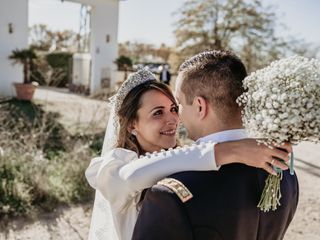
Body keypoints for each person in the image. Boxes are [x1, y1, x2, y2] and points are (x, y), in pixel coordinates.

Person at [85, 69, 292, 240]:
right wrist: (230, 149)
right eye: (158, 112)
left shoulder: (188, 161)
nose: (173, 119)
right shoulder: (112, 167)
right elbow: (131, 176)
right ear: (132, 124)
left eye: (174, 109)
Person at [132, 51, 299, 240]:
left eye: (178, 105)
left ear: (199, 107)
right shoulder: (285, 173)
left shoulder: (168, 196)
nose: (177, 117)